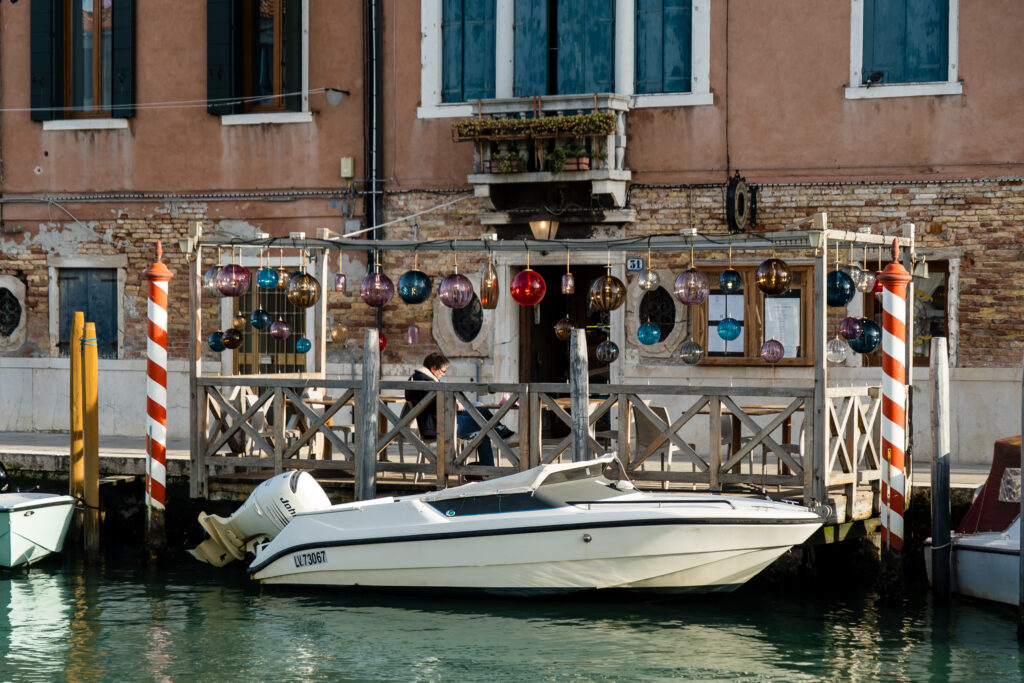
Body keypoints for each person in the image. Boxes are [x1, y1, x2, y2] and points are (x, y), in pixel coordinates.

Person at [405, 352, 513, 467]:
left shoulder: (422, 378)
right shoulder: (423, 381)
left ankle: (503, 435)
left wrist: (455, 404)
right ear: (433, 369)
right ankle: (498, 448)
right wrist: (456, 406)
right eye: (443, 371)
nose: (444, 374)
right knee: (483, 426)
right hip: (439, 425)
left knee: (478, 405)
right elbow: (437, 405)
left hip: (443, 418)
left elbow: (437, 403)